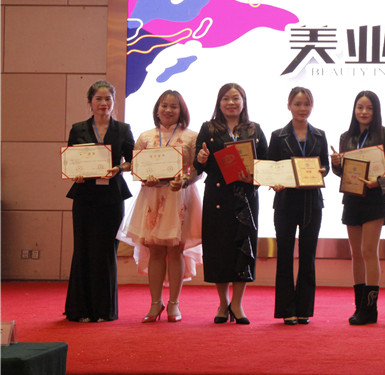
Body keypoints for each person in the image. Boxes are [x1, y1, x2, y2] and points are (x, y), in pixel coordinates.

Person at [118, 90, 202, 323]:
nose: (168, 110)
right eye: (164, 105)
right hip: (152, 197)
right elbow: (137, 167)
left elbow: (198, 170)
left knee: (176, 250)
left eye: (174, 106)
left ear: (181, 110)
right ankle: (156, 303)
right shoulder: (145, 137)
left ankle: (174, 303)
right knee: (154, 250)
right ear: (157, 109)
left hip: (179, 196)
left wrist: (186, 180)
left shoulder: (192, 137)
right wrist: (144, 178)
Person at [194, 83, 267, 325]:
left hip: (245, 198)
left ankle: (238, 303)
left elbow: (266, 165)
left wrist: (253, 177)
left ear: (243, 102)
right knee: (219, 250)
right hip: (217, 197)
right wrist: (201, 158)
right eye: (226, 98)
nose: (231, 103)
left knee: (242, 250)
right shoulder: (208, 128)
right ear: (219, 102)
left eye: (236, 98)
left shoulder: (254, 129)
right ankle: (223, 303)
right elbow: (197, 165)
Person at [64, 80, 134, 323]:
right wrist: (75, 174)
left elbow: (133, 161)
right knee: (83, 248)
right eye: (98, 99)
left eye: (108, 99)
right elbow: (71, 160)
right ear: (90, 102)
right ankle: (80, 310)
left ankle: (105, 310)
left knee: (106, 251)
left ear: (113, 102)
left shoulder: (123, 129)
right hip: (84, 196)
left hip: (112, 197)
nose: (104, 103)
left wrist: (119, 168)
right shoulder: (78, 129)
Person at [330, 90, 385, 325]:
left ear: (376, 110)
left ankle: (371, 309)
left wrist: (379, 183)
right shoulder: (345, 137)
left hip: (374, 200)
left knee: (369, 251)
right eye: (360, 107)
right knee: (356, 254)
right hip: (352, 199)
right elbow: (343, 173)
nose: (363, 112)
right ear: (354, 110)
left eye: (369, 108)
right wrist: (336, 165)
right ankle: (359, 306)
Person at [268, 87, 329, 325]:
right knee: (284, 255)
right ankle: (286, 309)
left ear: (311, 106)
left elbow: (325, 166)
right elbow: (271, 167)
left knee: (308, 256)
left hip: (312, 203)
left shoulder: (320, 135)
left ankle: (304, 309)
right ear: (289, 106)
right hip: (285, 202)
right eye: (297, 104)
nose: (302, 108)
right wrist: (274, 182)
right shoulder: (278, 136)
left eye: (306, 104)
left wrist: (322, 170)